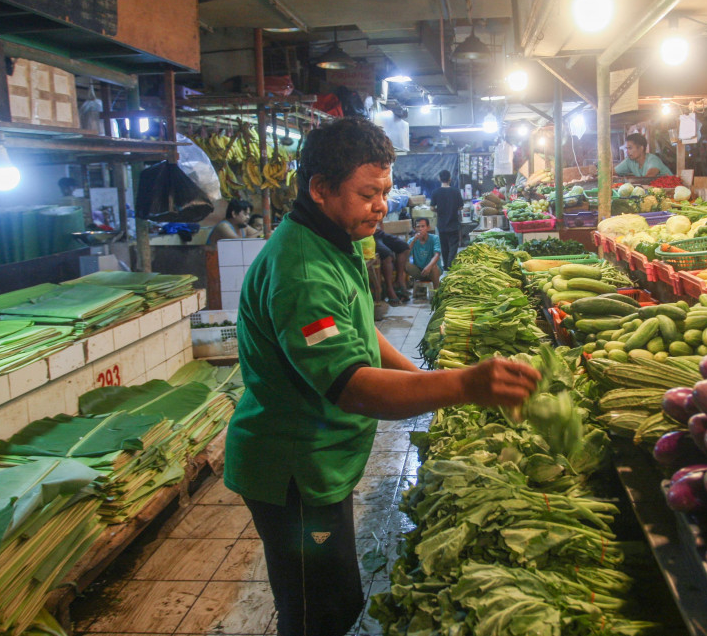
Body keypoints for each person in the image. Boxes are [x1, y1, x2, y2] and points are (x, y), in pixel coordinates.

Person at [224, 117, 540, 636]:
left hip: (322, 459)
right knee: (318, 612)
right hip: (293, 468)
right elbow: (354, 386)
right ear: (320, 189)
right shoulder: (302, 273)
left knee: (336, 599)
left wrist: (422, 379)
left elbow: (361, 335)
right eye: (368, 193)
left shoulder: (330, 236)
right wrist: (464, 385)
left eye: (385, 192)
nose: (381, 206)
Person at [429, 169, 463, 270]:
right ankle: (450, 265)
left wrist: (438, 210)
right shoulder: (456, 191)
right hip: (453, 223)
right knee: (453, 245)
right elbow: (461, 207)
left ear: (439, 179)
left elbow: (431, 208)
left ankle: (446, 266)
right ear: (450, 179)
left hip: (442, 224)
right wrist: (452, 208)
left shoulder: (435, 192)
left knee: (444, 246)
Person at [373, 221, 410, 305]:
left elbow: (380, 222)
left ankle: (399, 280)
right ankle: (389, 289)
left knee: (404, 247)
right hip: (368, 236)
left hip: (380, 234)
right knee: (387, 255)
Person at [406, 217, 441, 289]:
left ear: (428, 228)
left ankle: (436, 292)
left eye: (423, 226)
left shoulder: (434, 238)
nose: (420, 229)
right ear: (415, 228)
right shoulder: (412, 240)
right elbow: (406, 255)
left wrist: (429, 266)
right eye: (418, 227)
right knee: (403, 264)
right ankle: (404, 290)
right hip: (419, 271)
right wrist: (413, 241)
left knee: (433, 266)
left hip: (433, 270)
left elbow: (437, 255)